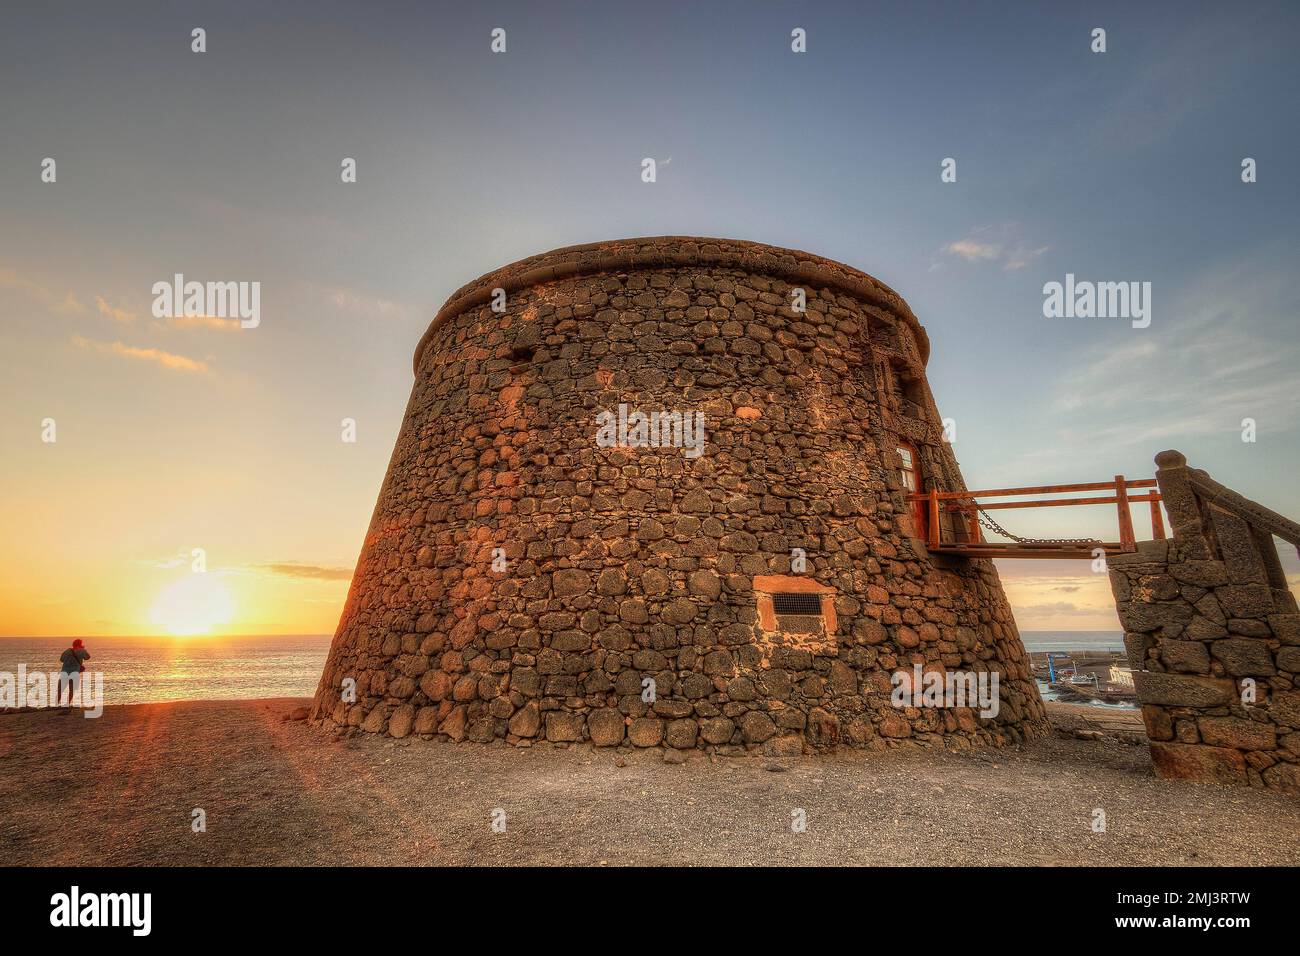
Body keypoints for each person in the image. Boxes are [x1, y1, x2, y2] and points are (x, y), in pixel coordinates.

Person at [57, 639, 90, 709]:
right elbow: (87, 657)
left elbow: (61, 660)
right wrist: (83, 650)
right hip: (74, 673)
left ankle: (56, 704)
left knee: (60, 690)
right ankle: (67, 704)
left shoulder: (67, 651)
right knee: (71, 690)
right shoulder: (82, 650)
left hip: (65, 672)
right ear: (80, 644)